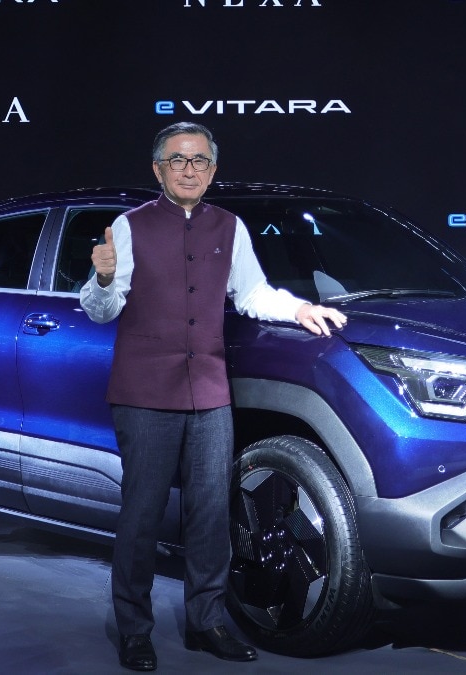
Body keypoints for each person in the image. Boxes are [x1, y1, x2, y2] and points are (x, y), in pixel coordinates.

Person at [80, 121, 347, 671]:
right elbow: (103, 310)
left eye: (199, 160)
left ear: (213, 170)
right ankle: (134, 630)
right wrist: (102, 279)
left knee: (209, 514)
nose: (189, 169)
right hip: (143, 393)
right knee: (142, 514)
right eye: (177, 160)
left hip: (208, 391)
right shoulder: (129, 227)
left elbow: (252, 294)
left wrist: (300, 309)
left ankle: (206, 622)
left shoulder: (230, 226)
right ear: (158, 170)